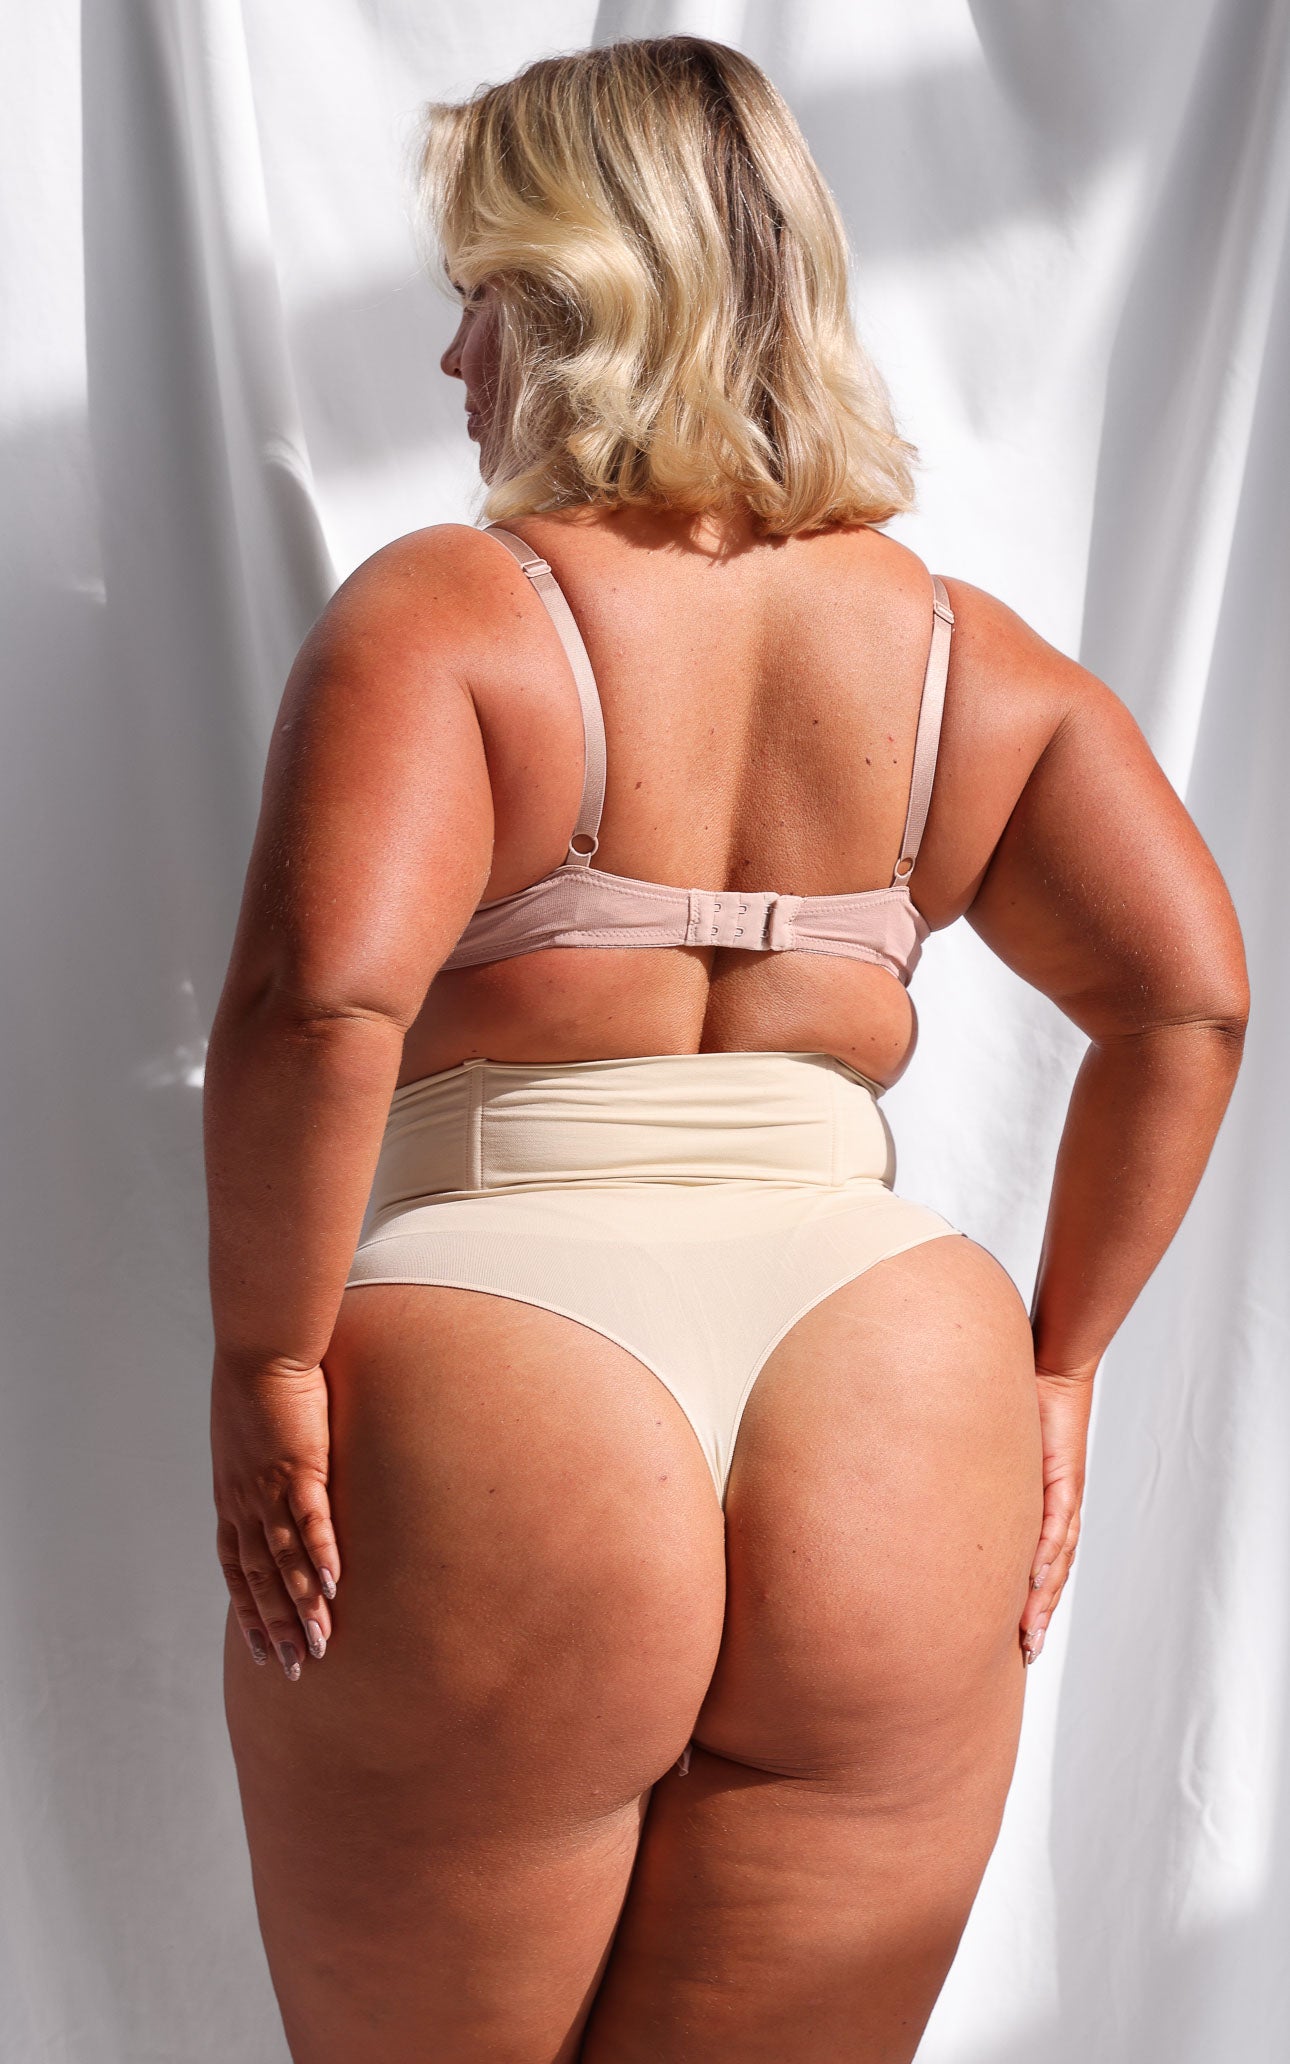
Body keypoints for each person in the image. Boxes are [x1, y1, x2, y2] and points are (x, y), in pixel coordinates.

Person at [203, 34, 1248, 2064]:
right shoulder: (965, 658)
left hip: (506, 1357)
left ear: (582, 301)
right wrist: (1058, 1365)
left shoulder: (451, 616)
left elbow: (318, 1006)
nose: (451, 362)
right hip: (894, 1374)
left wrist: (263, 1364)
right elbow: (1189, 996)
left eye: (479, 299)